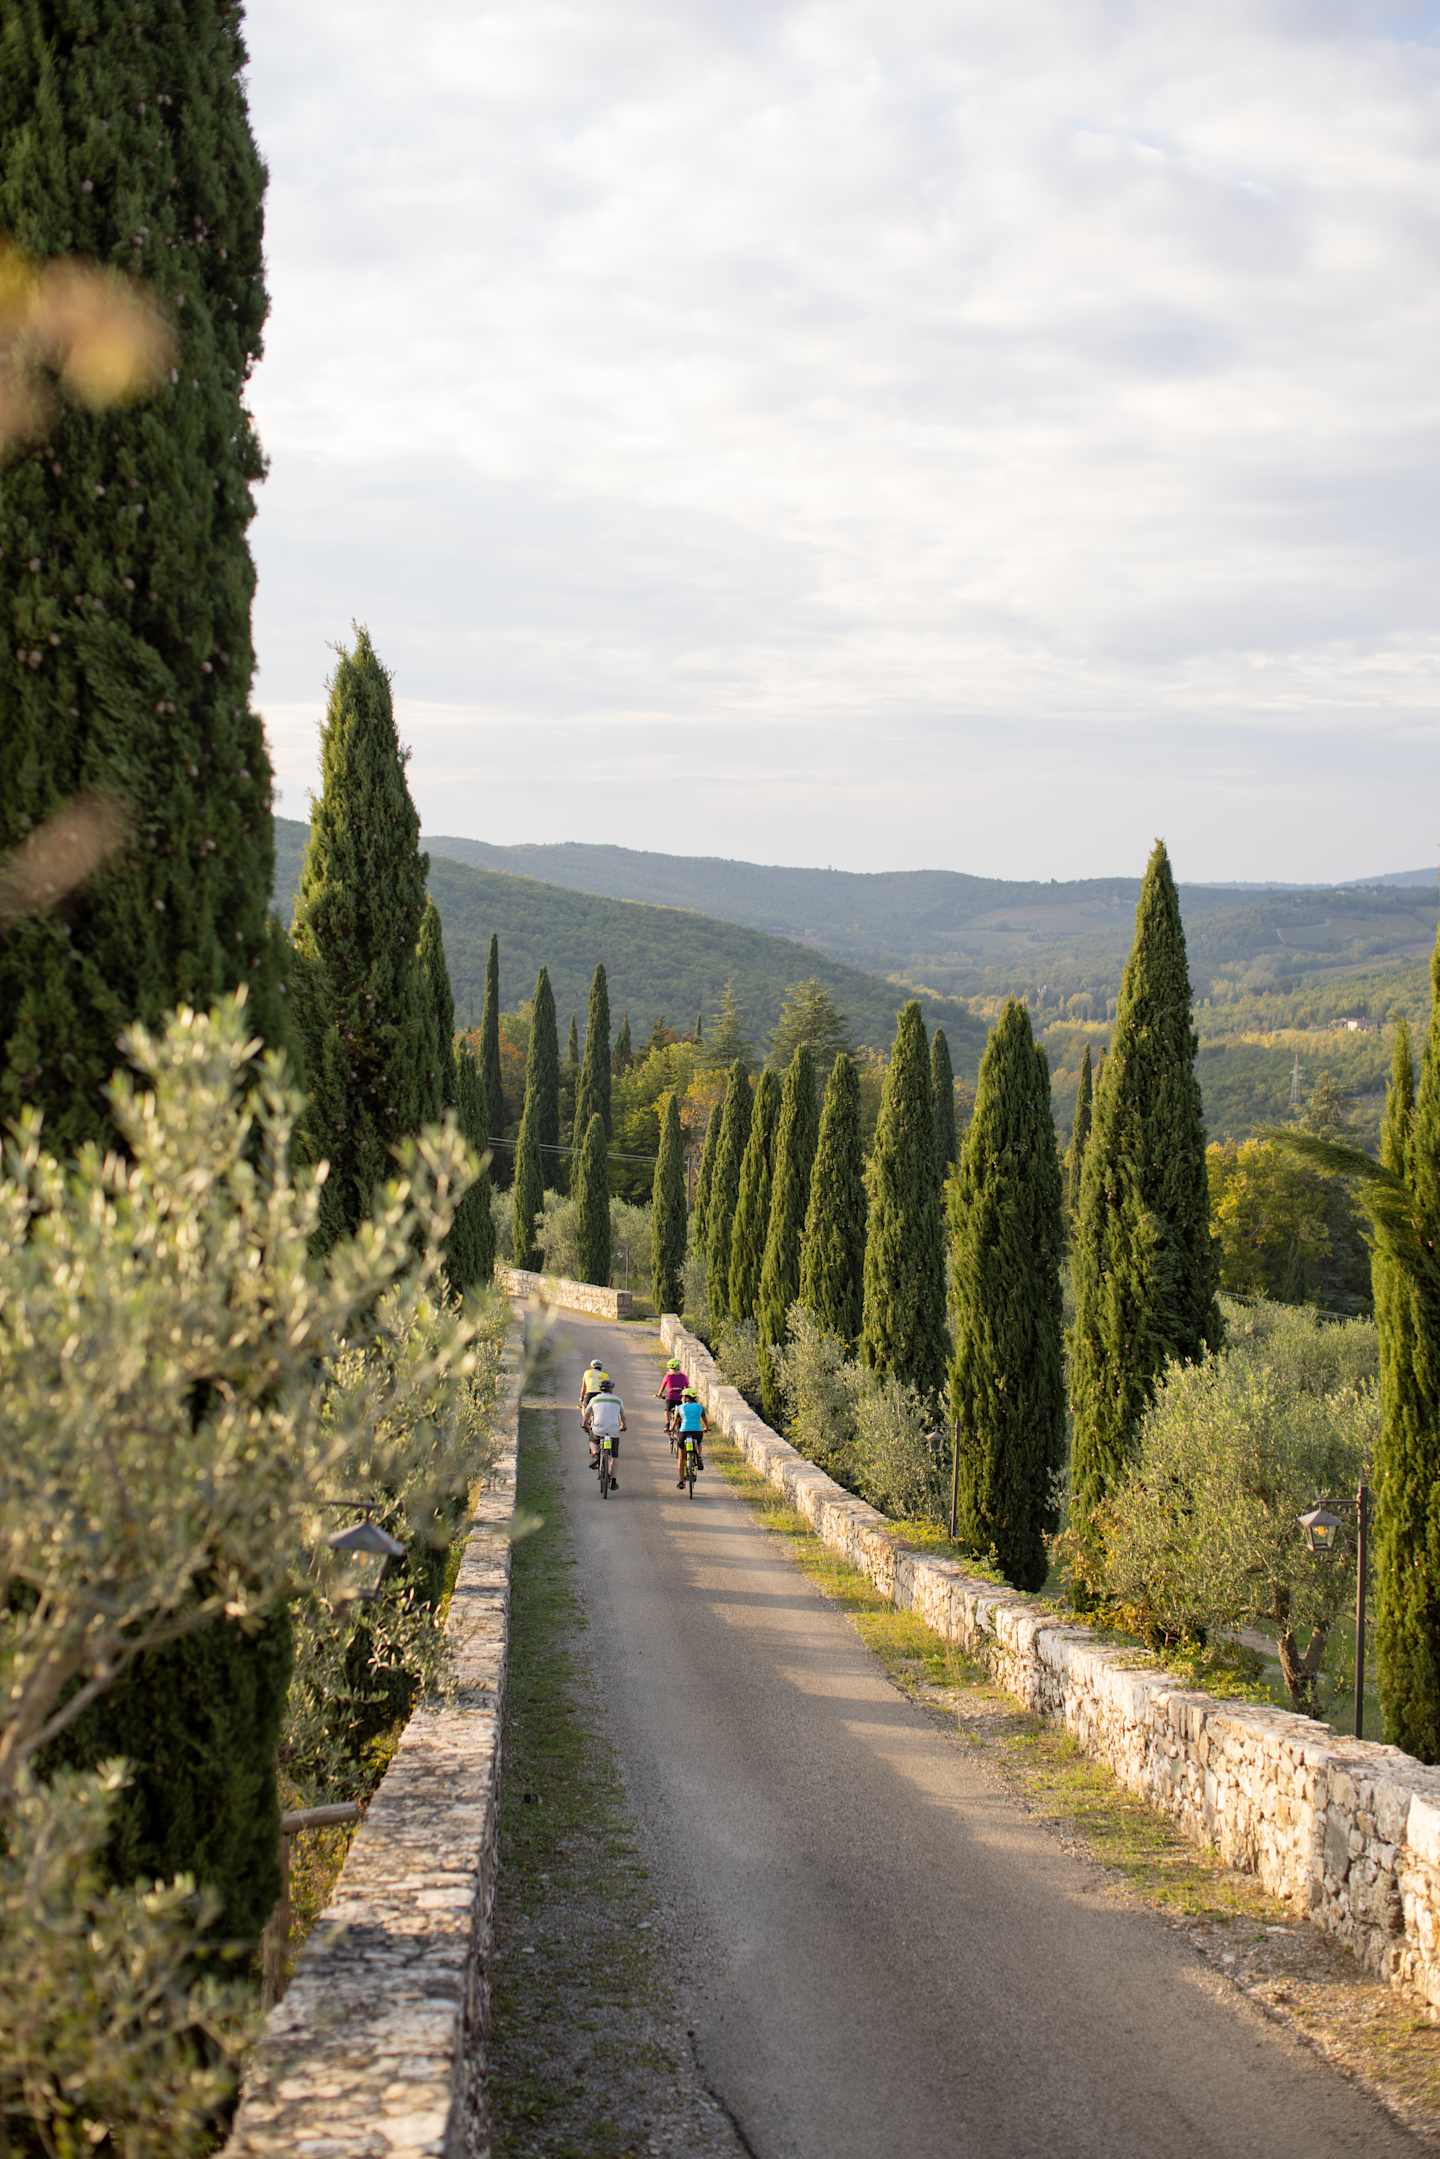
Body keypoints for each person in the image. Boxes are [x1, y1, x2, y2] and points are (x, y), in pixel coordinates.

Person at [587, 1378, 625, 1486]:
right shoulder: (618, 1400)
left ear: (600, 1389)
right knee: (614, 1456)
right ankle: (613, 1481)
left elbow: (586, 1414)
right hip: (613, 1430)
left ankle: (596, 1456)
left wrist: (584, 1423)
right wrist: (624, 1426)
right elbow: (622, 1416)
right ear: (611, 1389)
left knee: (592, 1439)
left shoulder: (594, 1399)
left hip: (598, 1429)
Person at [675, 1387, 708, 1485]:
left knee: (681, 1457)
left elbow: (676, 1421)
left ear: (686, 1397)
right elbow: (704, 1419)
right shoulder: (700, 1407)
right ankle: (699, 1456)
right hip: (697, 1432)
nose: (682, 1398)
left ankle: (681, 1481)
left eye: (683, 1396)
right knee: (699, 1442)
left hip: (684, 1432)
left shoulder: (680, 1407)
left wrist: (671, 1429)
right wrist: (706, 1427)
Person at [656, 1356, 689, 1436]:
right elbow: (687, 1388)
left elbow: (662, 1386)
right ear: (678, 1367)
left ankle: (667, 1424)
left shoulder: (668, 1376)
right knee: (681, 1413)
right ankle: (680, 1426)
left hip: (670, 1398)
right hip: (681, 1398)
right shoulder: (683, 1376)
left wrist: (659, 1394)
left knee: (667, 1410)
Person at [579, 1355, 609, 1431]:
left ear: (592, 1366)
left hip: (590, 1394)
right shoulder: (605, 1375)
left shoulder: (587, 1373)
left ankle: (585, 1421)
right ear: (601, 1367)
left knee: (584, 1407)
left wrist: (581, 1398)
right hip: (601, 1395)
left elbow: (583, 1387)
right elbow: (608, 1388)